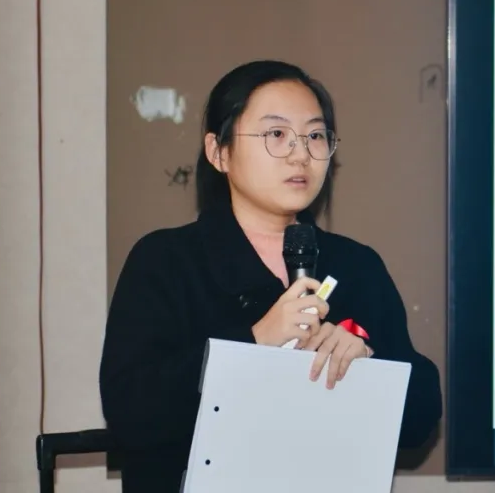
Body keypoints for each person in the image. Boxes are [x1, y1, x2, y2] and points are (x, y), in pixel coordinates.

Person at [99, 60, 443, 491]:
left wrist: (368, 364)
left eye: (315, 136)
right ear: (219, 152)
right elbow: (130, 410)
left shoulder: (356, 265)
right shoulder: (165, 260)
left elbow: (420, 420)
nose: (301, 154)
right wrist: (256, 340)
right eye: (276, 134)